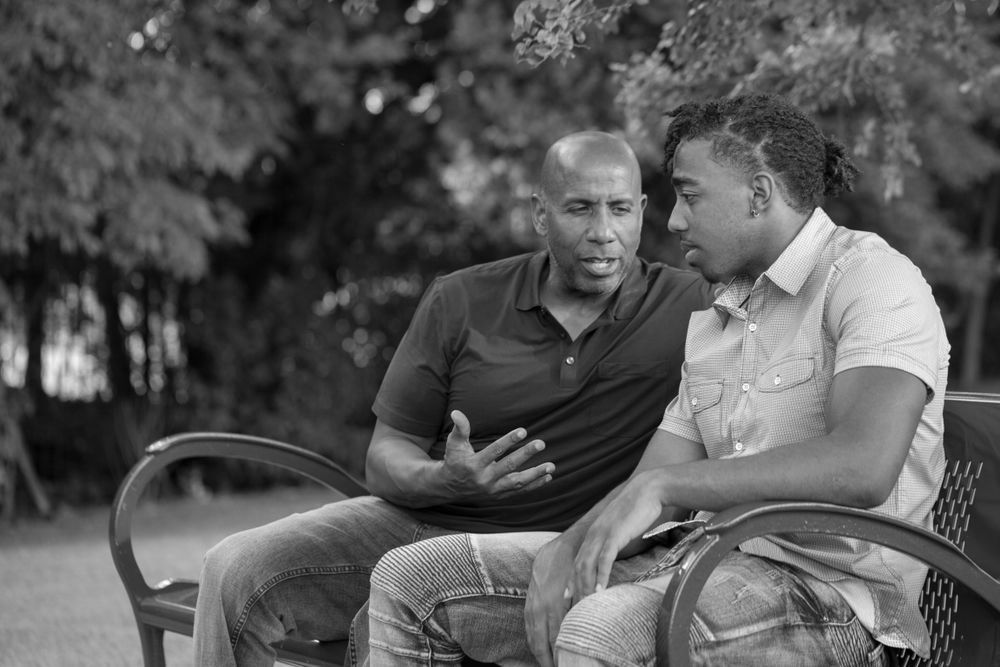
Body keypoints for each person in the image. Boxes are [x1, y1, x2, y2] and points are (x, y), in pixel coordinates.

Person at [365, 93, 949, 667]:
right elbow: (650, 480)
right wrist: (567, 546)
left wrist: (668, 490)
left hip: (834, 601)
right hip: (702, 560)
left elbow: (863, 466)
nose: (673, 220)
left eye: (690, 195)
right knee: (417, 577)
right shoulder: (722, 316)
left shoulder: (872, 281)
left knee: (600, 630)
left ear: (759, 194)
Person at [192, 130, 713, 666]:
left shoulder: (692, 305)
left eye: (620, 209)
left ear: (643, 211)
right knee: (234, 568)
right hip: (421, 521)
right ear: (541, 214)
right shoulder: (461, 299)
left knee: (387, 613)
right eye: (579, 209)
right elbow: (386, 455)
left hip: (548, 547)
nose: (604, 232)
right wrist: (444, 478)